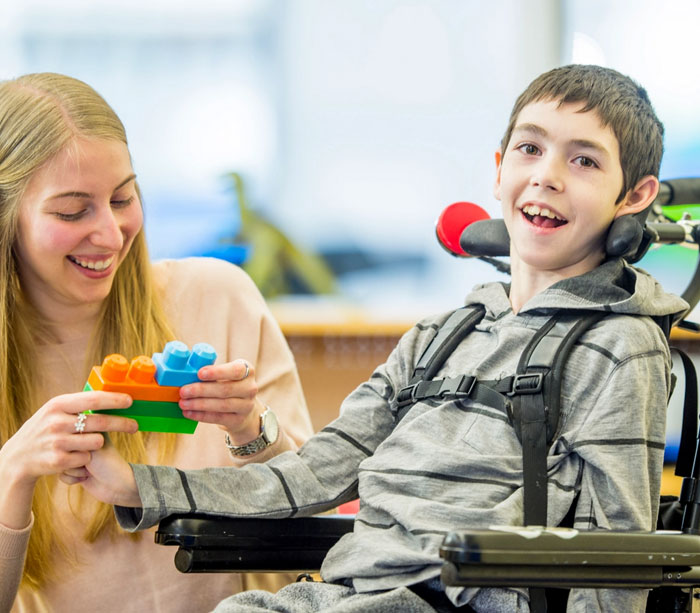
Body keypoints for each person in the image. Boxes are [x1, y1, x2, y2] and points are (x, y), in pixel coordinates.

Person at [76, 64, 688, 612]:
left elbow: (617, 555)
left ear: (634, 196)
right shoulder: (438, 338)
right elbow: (314, 472)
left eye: (584, 160)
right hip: (344, 596)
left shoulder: (619, 345)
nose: (547, 176)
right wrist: (135, 484)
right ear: (499, 169)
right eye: (530, 148)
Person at [0, 72, 314, 613]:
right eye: (73, 211)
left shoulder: (218, 299)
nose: (110, 233)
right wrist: (12, 474)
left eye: (123, 198)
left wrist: (252, 430)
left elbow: (319, 533)